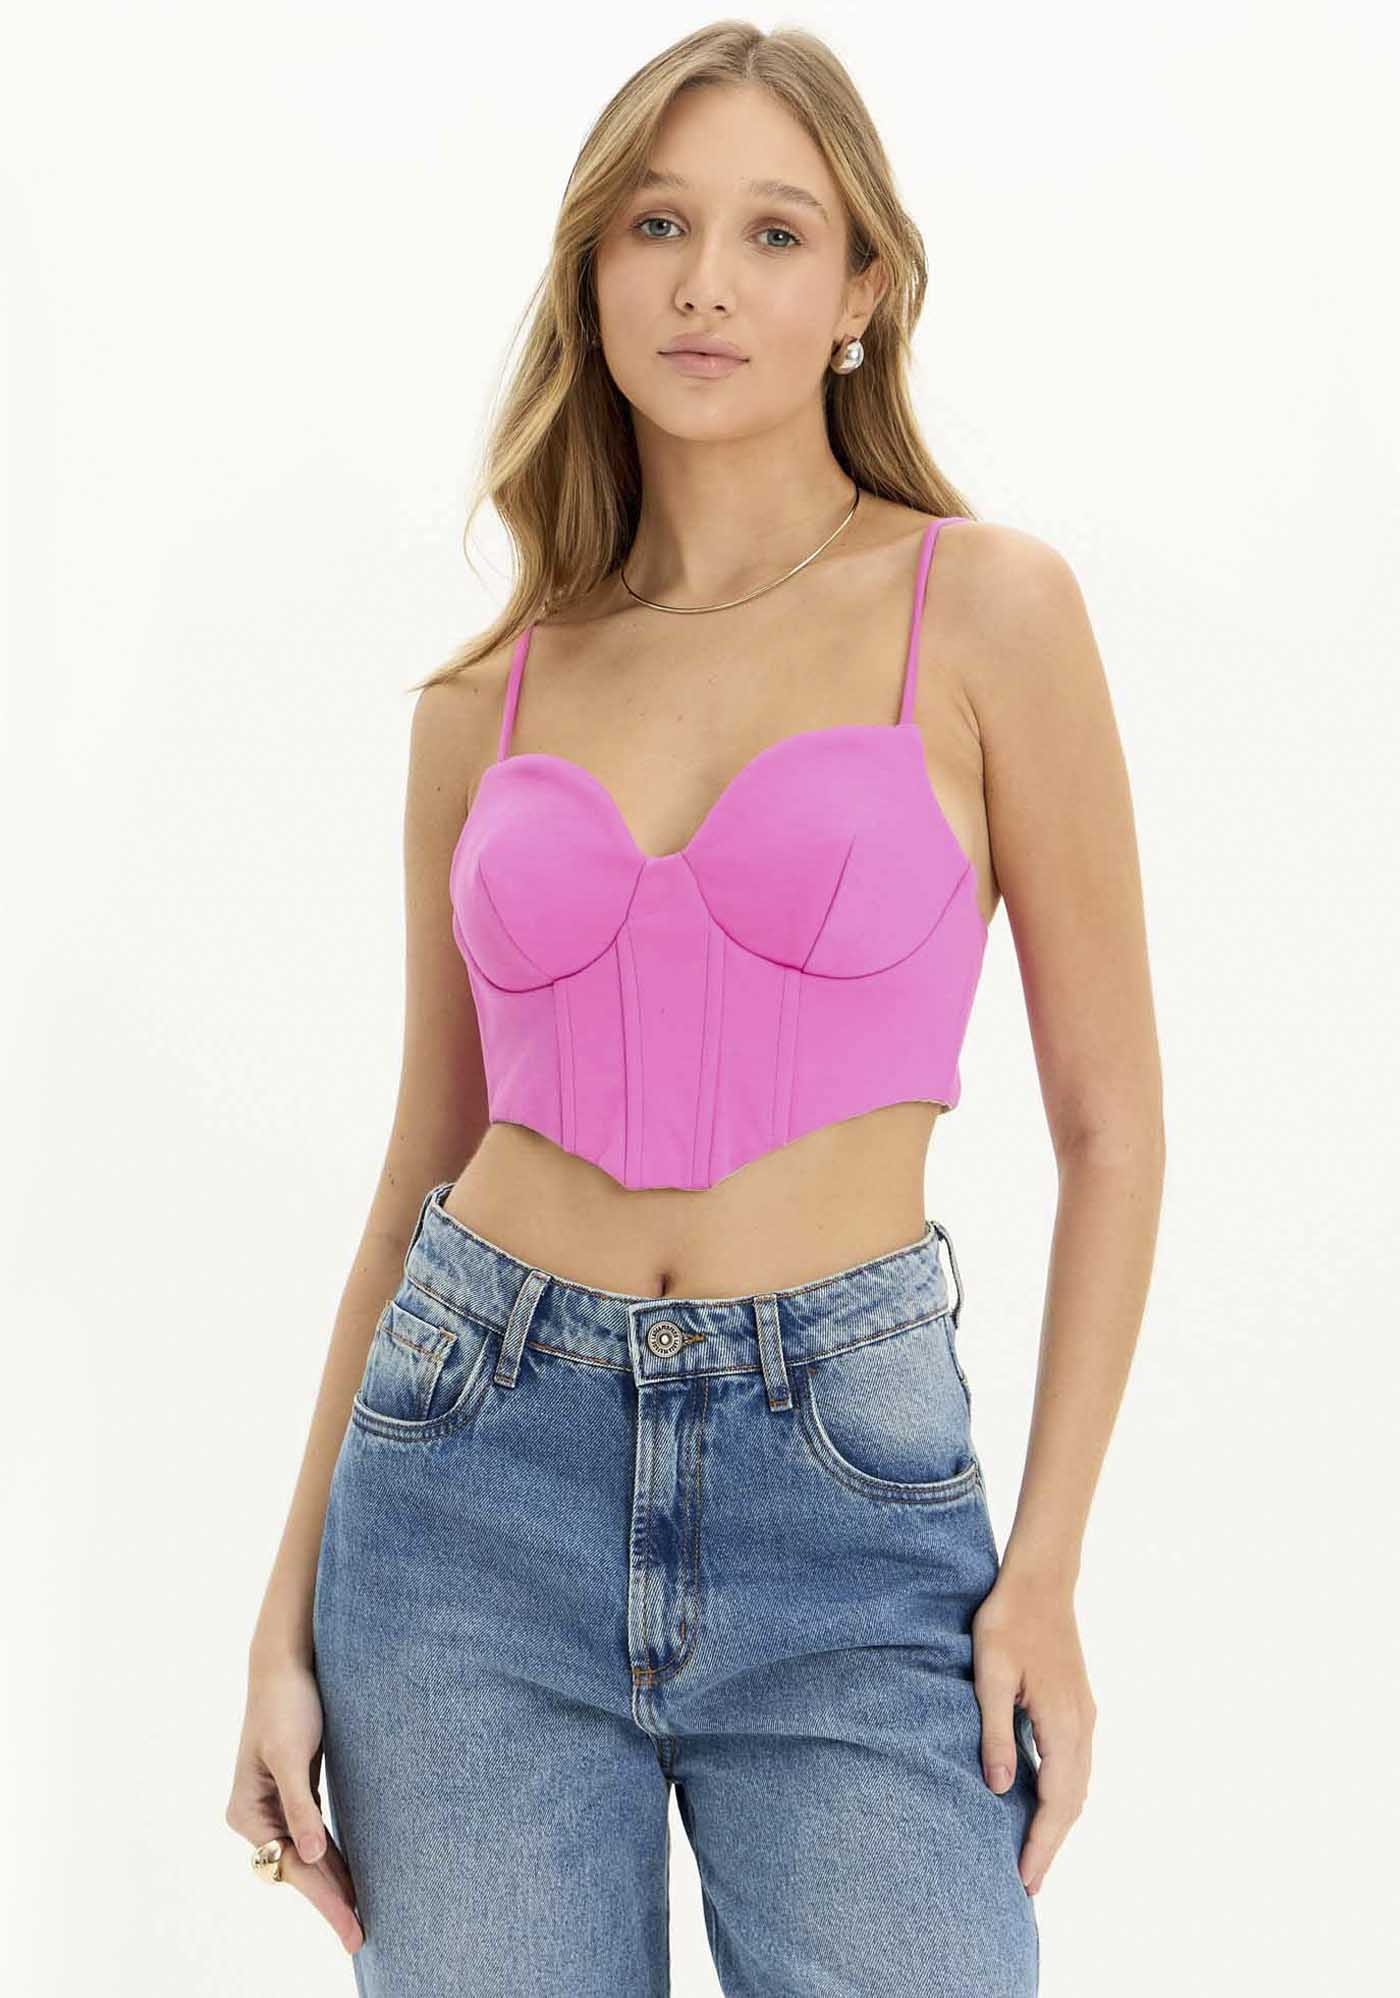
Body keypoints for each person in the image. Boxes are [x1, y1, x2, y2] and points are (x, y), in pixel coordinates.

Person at [226, 22, 1164, 1995]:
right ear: (592, 271)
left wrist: (1049, 1571)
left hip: (848, 1488)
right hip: (466, 1484)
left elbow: (1111, 1127)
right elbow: (415, 1173)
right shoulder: (485, 699)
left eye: (773, 232)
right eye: (656, 225)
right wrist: (280, 1615)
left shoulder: (984, 610)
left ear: (863, 289)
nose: (706, 283)